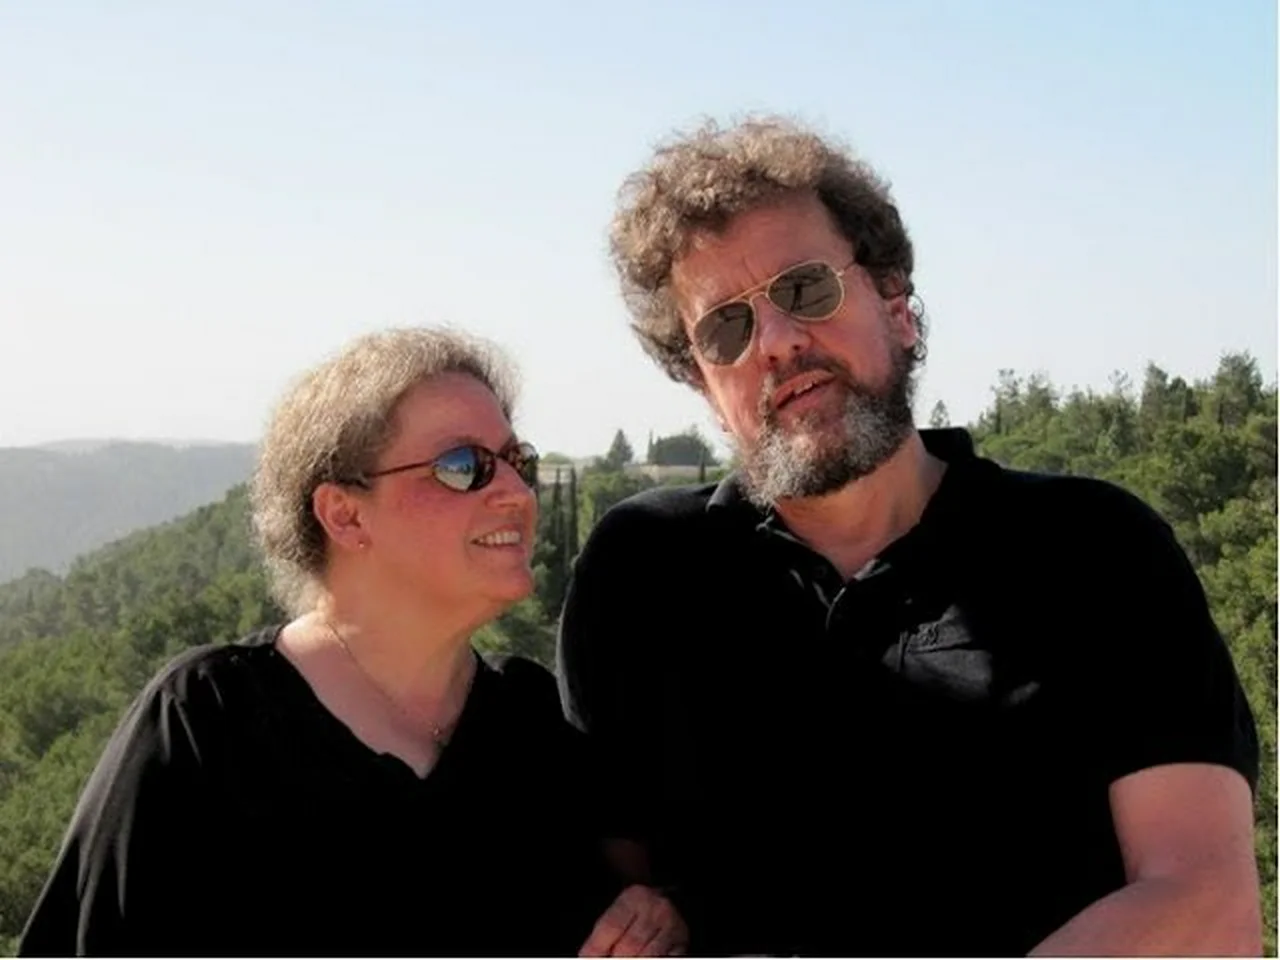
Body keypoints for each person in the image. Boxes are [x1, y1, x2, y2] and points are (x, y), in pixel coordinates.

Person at [556, 117, 1263, 957]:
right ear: (707, 389)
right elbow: (610, 893)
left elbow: (1205, 905)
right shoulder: (644, 574)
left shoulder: (1096, 550)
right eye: (727, 330)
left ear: (897, 308)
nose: (777, 341)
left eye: (805, 289)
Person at [20, 328, 687, 957]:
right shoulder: (206, 724)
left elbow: (640, 902)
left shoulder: (527, 723)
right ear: (344, 515)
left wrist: (661, 917)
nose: (516, 491)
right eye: (465, 466)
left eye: (518, 461)